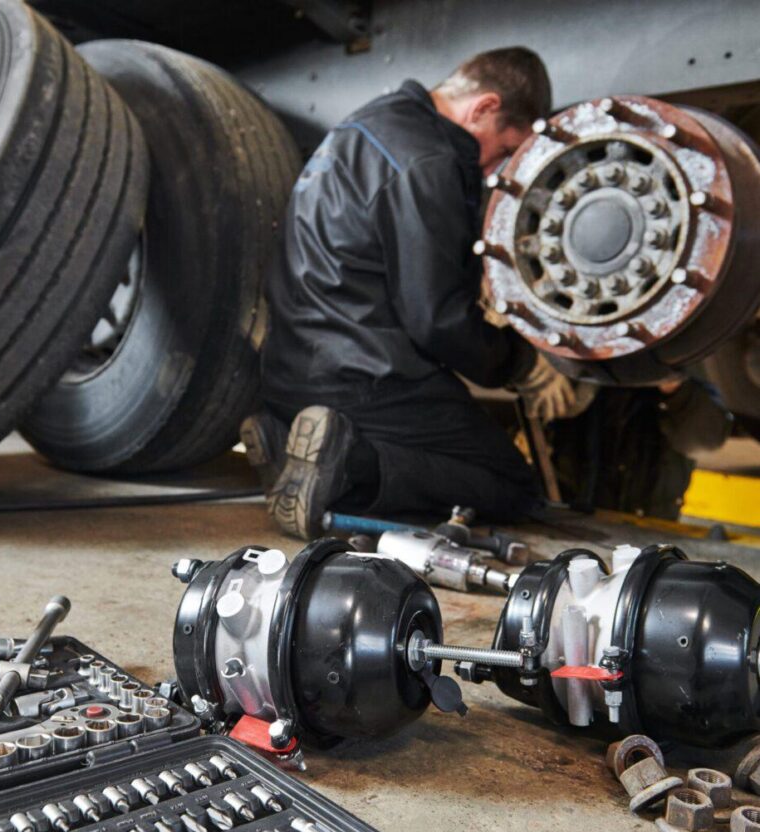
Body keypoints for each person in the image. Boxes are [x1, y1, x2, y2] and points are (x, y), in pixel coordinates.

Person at [241, 47, 583, 540]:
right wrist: (520, 365)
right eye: (505, 149)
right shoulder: (430, 158)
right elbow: (435, 319)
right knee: (511, 486)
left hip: (292, 368)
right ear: (483, 107)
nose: (496, 169)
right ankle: (349, 464)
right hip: (362, 378)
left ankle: (286, 437)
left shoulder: (367, 125)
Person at [550, 377, 732, 520]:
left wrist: (675, 387)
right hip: (571, 520)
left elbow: (706, 439)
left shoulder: (680, 374)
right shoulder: (570, 375)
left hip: (647, 526)